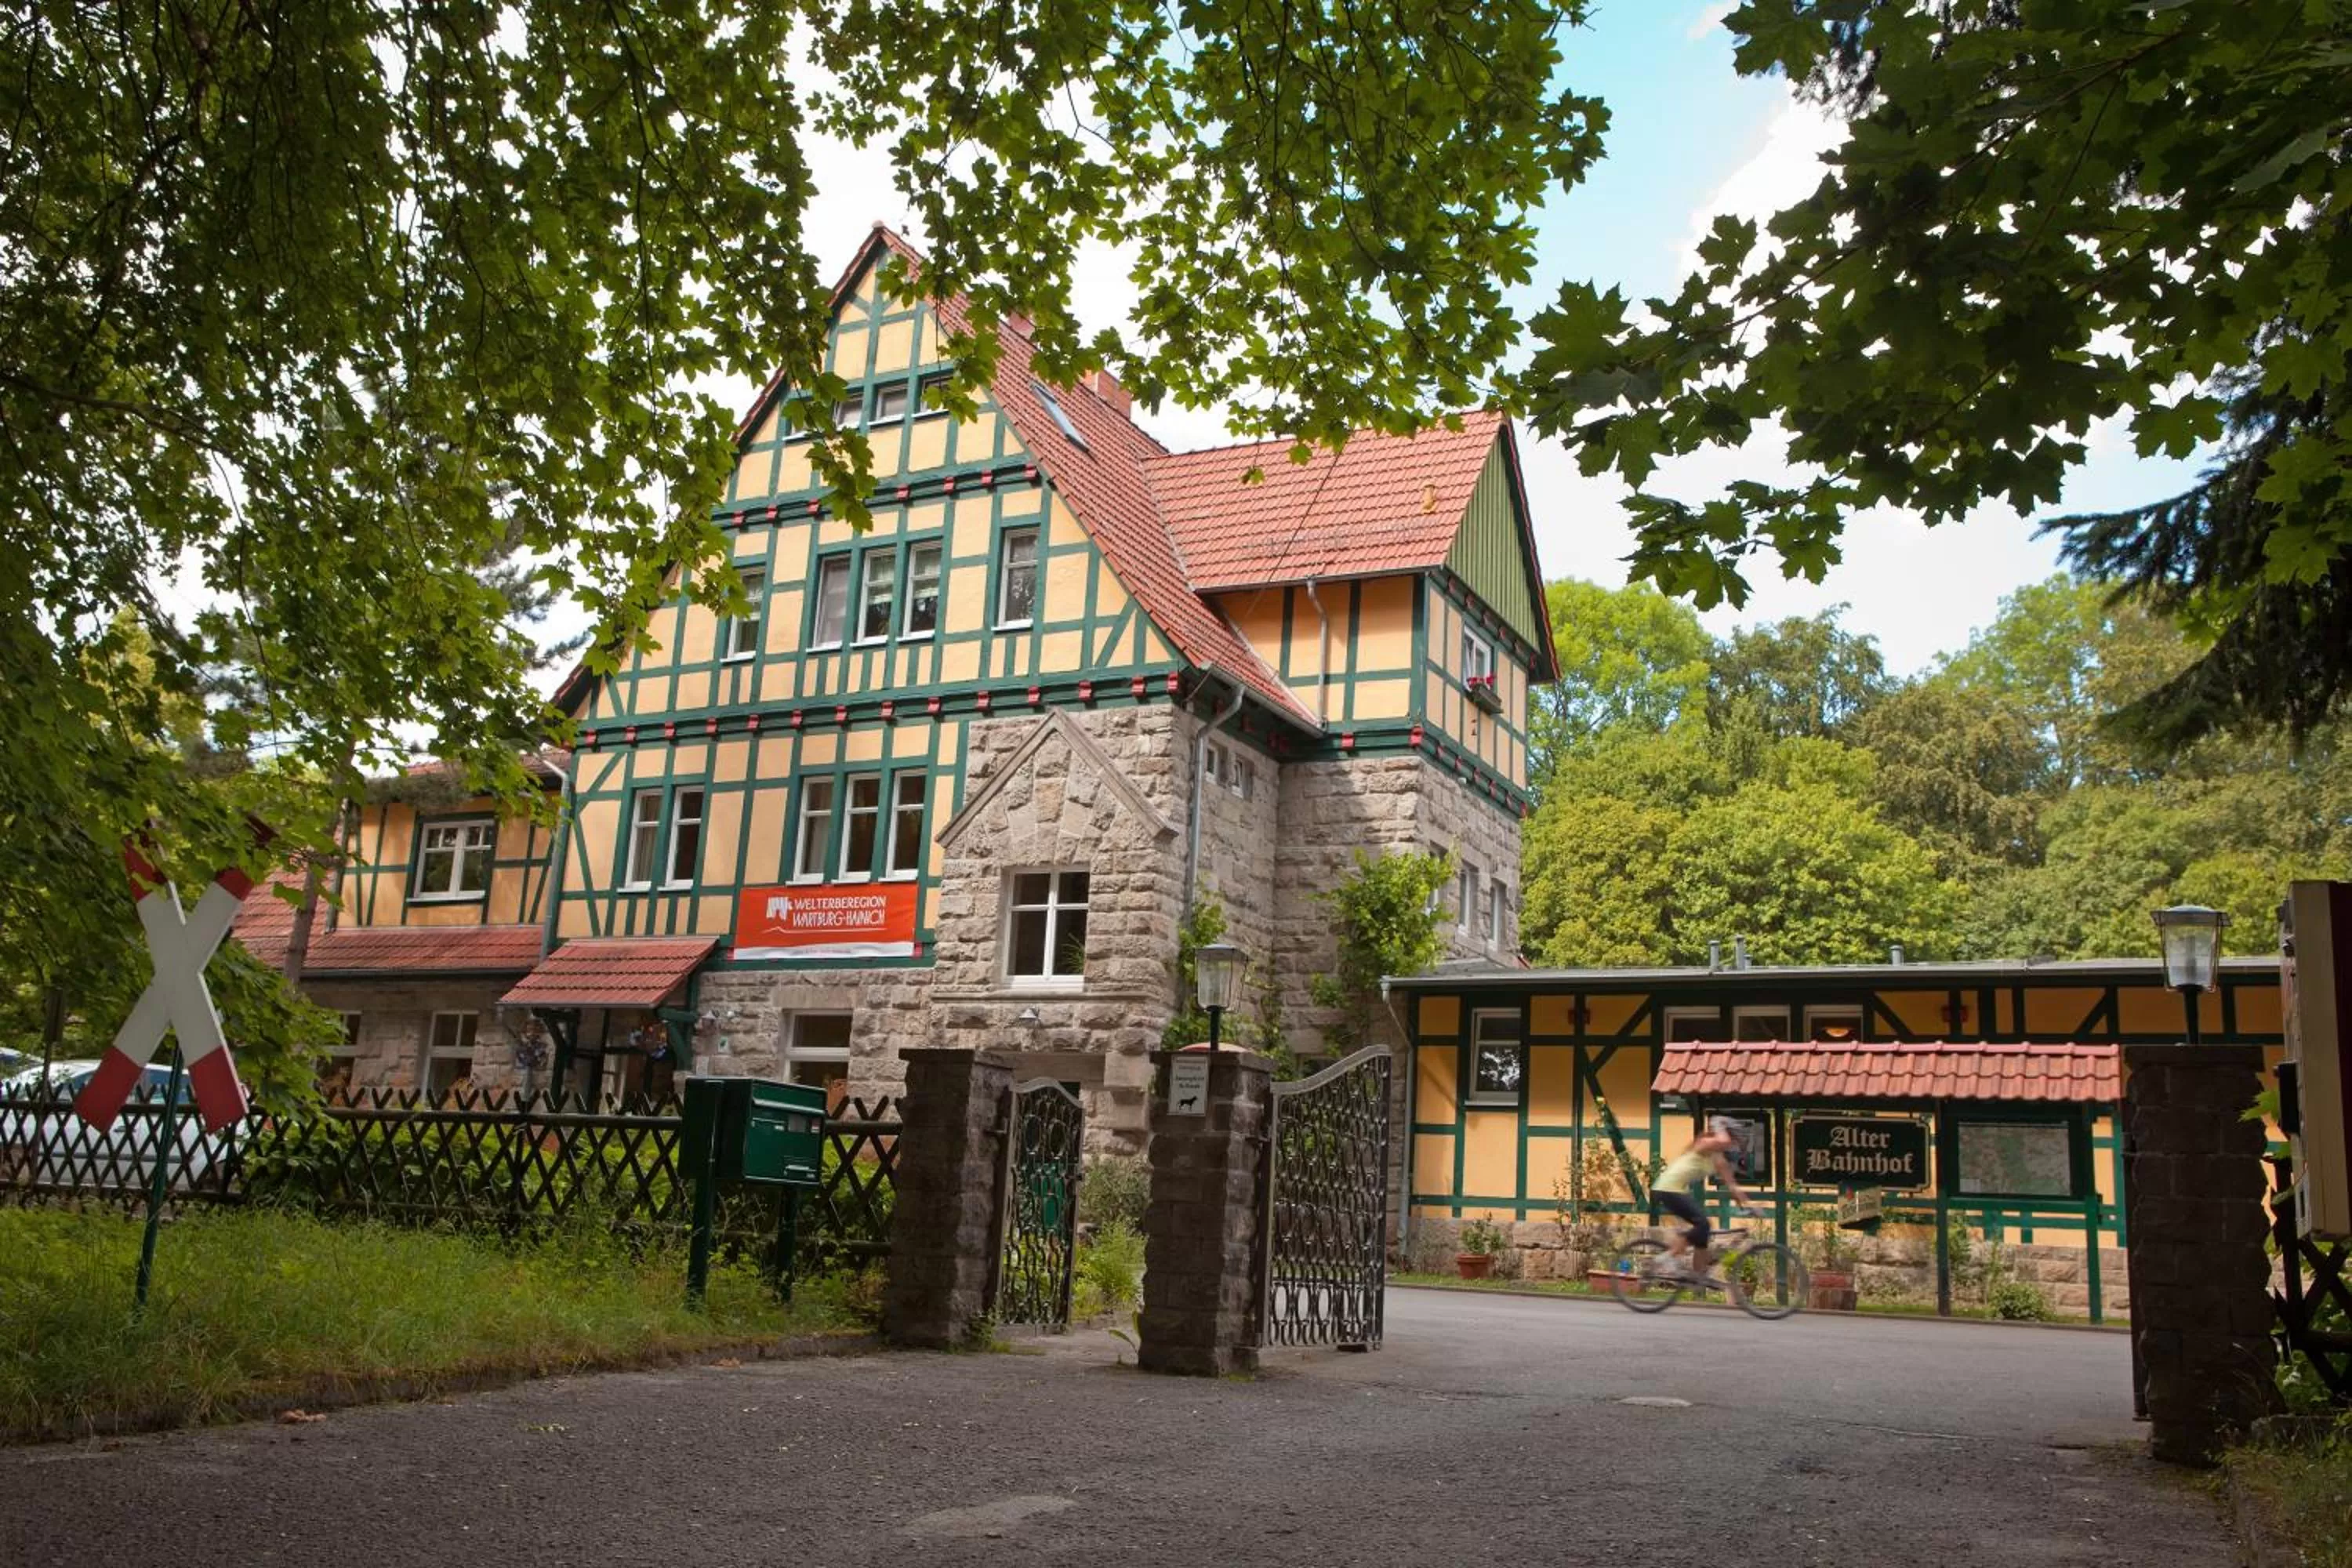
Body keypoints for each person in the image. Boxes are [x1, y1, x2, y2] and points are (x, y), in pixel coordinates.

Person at [1652, 1118, 1762, 1281]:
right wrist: (1720, 1123)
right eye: (1732, 1139)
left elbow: (1733, 1187)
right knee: (1704, 1224)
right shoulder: (1704, 1144)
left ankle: (1698, 1277)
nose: (1732, 1145)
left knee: (1702, 1236)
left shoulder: (1718, 1159)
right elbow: (1722, 1141)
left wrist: (1748, 1206)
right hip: (1668, 1188)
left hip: (1676, 1190)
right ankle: (1667, 1257)